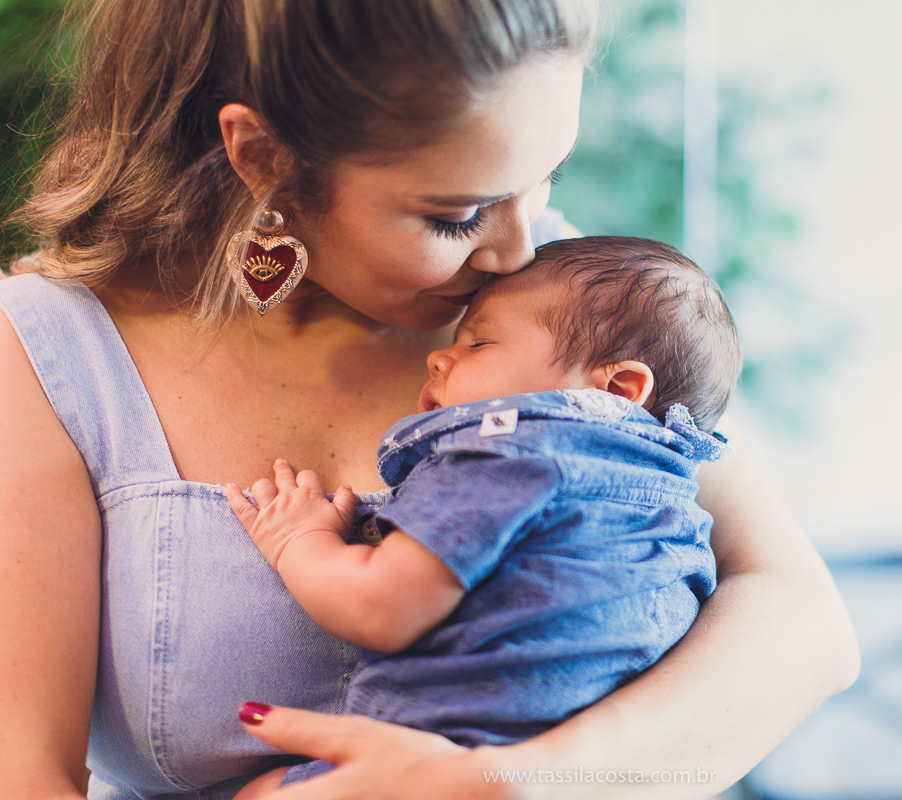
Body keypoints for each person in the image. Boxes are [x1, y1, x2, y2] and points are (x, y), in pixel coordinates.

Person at [0, 1, 859, 799]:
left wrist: (511, 783)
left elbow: (805, 626)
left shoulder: (558, 313)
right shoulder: (50, 351)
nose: (517, 249)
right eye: (460, 214)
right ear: (265, 158)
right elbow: (25, 772)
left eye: (546, 178)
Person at [227, 236, 739, 796]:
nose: (439, 357)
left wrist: (298, 538)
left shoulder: (508, 451)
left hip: (440, 761)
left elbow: (379, 607)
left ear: (618, 387)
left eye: (478, 343)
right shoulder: (676, 503)